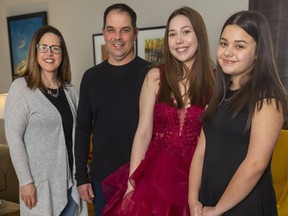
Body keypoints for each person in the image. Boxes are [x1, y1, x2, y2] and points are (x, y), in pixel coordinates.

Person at [102, 6, 215, 215]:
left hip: (197, 177)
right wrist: (131, 184)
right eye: (172, 34)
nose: (179, 40)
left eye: (186, 32)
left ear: (199, 34)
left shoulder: (216, 82)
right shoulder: (154, 76)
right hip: (156, 176)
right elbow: (143, 133)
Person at [188, 10, 288, 216]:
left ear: (259, 51)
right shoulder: (220, 94)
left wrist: (218, 209)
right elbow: (200, 152)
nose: (228, 52)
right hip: (209, 200)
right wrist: (192, 199)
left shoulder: (267, 97)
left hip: (244, 205)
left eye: (239, 46)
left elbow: (255, 164)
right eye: (224, 43)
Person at [74, 3, 151, 215]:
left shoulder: (151, 74)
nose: (117, 37)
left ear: (135, 34)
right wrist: (81, 177)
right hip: (102, 182)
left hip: (142, 180)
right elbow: (82, 129)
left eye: (124, 30)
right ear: (104, 33)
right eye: (111, 30)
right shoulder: (91, 78)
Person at [4, 25, 87, 216]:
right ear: (35, 51)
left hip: (71, 183)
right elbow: (14, 138)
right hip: (40, 187)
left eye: (55, 48)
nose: (49, 53)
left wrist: (83, 174)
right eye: (43, 47)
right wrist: (25, 182)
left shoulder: (70, 91)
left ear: (62, 53)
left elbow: (77, 135)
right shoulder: (21, 88)